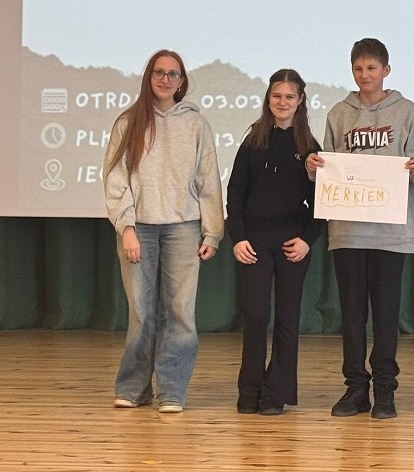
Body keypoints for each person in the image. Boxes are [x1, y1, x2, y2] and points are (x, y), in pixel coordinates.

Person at [305, 38, 414, 420]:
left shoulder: (406, 111)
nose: (365, 75)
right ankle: (356, 388)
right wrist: (313, 167)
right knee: (351, 315)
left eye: (372, 68)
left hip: (391, 233)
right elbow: (327, 168)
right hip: (348, 231)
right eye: (359, 69)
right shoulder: (339, 114)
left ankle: (386, 389)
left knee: (386, 315)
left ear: (386, 71)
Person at [104, 49, 224, 414]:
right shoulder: (128, 122)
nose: (166, 79)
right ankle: (133, 388)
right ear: (149, 77)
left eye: (173, 74)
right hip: (139, 228)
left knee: (181, 313)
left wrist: (213, 232)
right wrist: (126, 227)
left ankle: (172, 390)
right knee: (141, 313)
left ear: (182, 81)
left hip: (184, 228)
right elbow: (115, 178)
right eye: (159, 72)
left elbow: (208, 181)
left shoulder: (196, 124)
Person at [226, 69, 323, 416]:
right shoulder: (252, 143)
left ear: (300, 101)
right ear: (269, 100)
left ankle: (275, 394)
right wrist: (238, 237)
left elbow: (322, 200)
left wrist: (307, 240)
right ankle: (249, 391)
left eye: (289, 96)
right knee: (255, 316)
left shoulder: (310, 148)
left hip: (292, 243)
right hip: (253, 242)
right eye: (277, 96)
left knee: (287, 318)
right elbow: (235, 193)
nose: (283, 102)